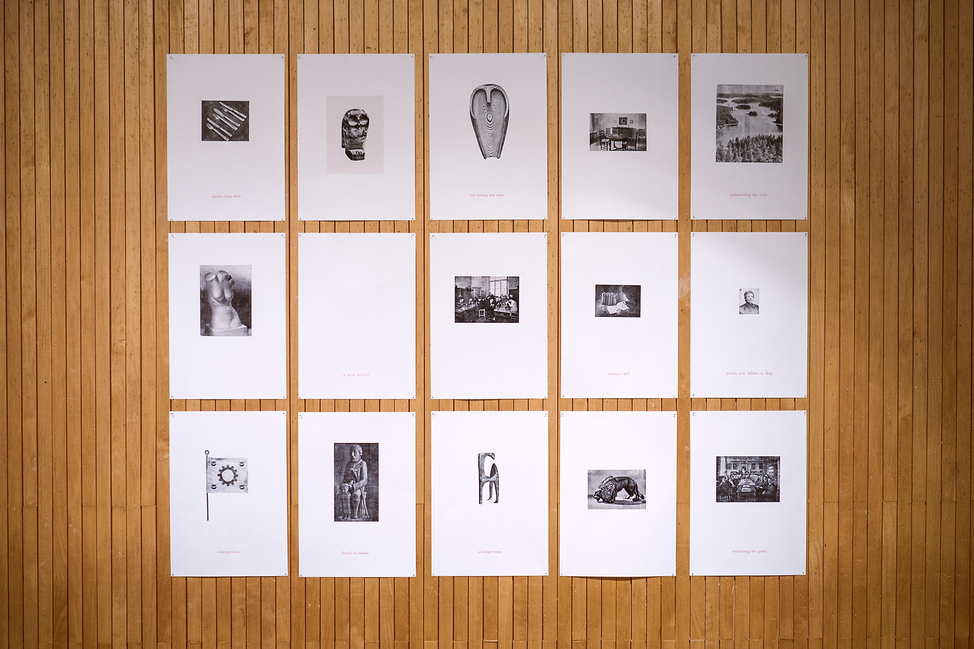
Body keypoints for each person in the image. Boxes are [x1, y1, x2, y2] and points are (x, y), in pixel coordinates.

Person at [338, 444, 368, 520]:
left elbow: (364, 480)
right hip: (348, 486)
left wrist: (353, 486)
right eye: (351, 452)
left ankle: (355, 515)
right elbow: (345, 478)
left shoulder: (362, 464)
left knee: (356, 494)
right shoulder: (348, 464)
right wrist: (343, 485)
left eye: (354, 452)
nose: (352, 454)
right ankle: (346, 514)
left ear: (360, 453)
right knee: (343, 494)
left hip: (358, 488)